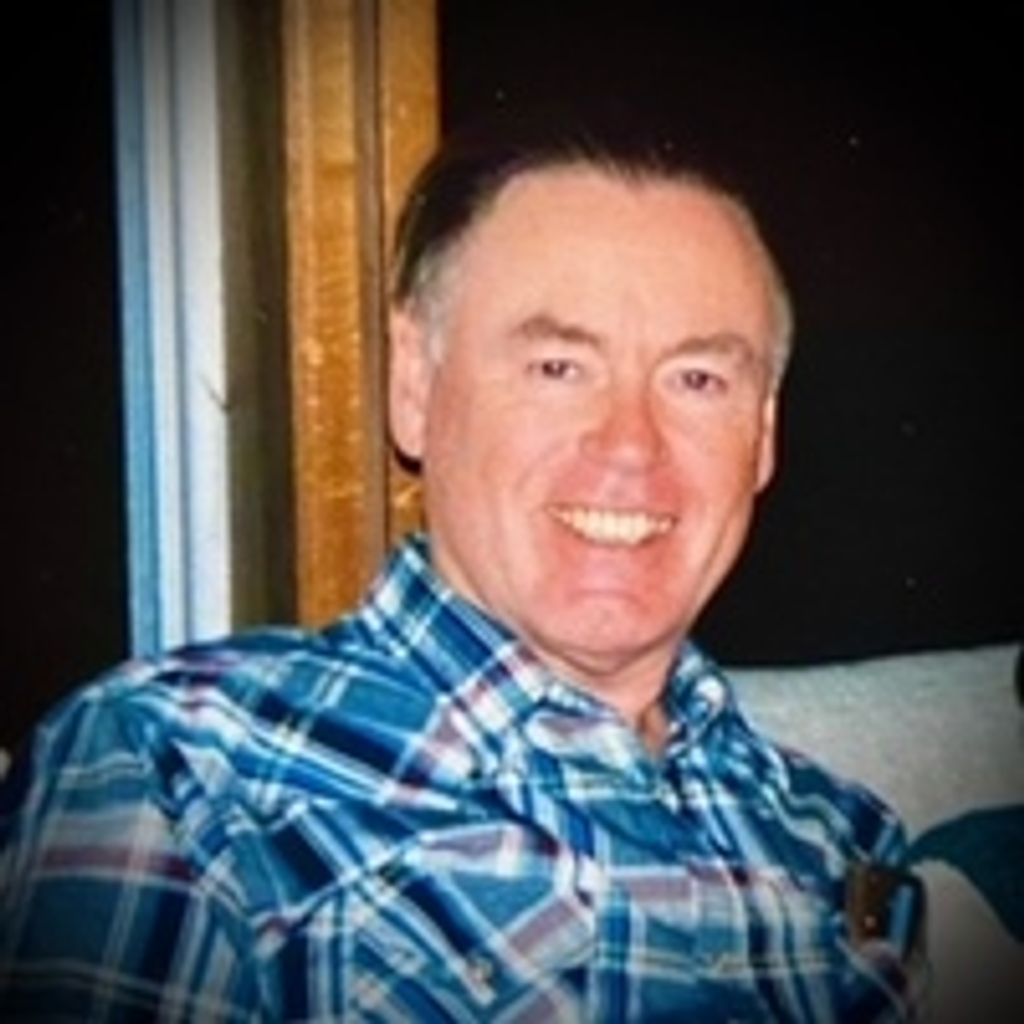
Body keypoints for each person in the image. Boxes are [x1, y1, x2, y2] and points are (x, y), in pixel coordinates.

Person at [1, 120, 926, 1020]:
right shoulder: (179, 767)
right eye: (558, 367)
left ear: (762, 435)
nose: (632, 446)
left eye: (698, 380)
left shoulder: (838, 842)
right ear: (414, 385)